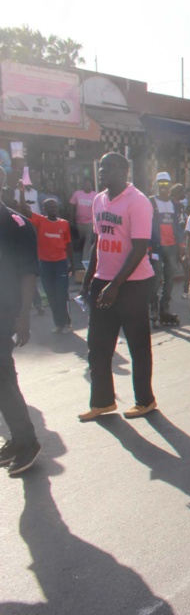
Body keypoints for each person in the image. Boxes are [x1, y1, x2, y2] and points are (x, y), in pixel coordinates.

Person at [78, 153, 158, 421]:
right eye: (101, 166)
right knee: (98, 345)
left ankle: (145, 400)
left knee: (138, 345)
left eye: (110, 166)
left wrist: (115, 286)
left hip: (134, 283)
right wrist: (90, 278)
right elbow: (99, 242)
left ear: (125, 170)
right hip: (104, 280)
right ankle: (102, 402)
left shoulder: (138, 202)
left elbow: (139, 249)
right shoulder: (99, 199)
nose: (103, 171)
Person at [0, 166, 42, 475]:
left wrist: (24, 316)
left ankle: (27, 442)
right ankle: (18, 438)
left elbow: (29, 274)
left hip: (6, 312)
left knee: (2, 379)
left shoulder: (17, 224)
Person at [24, 197, 75, 333]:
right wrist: (22, 193)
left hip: (60, 263)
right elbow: (24, 210)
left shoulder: (64, 223)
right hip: (46, 264)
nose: (53, 209)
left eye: (55, 207)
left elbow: (68, 244)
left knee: (62, 294)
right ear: (44, 209)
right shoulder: (40, 221)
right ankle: (59, 323)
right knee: (51, 294)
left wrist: (72, 263)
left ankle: (67, 323)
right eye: (50, 207)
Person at [149, 173, 185, 326]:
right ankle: (154, 311)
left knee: (169, 280)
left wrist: (182, 246)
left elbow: (179, 227)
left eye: (166, 183)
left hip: (171, 248)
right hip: (156, 248)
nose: (163, 186)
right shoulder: (149, 202)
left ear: (170, 185)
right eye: (160, 183)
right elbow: (145, 226)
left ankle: (164, 309)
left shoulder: (175, 205)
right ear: (156, 185)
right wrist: (148, 246)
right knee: (155, 280)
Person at [69, 178, 97, 264]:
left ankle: (85, 262)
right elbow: (72, 207)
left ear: (92, 186)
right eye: (85, 184)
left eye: (89, 184)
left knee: (88, 242)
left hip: (90, 222)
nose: (87, 186)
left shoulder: (95, 195)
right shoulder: (77, 194)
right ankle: (81, 258)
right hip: (79, 222)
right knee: (81, 241)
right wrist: (71, 220)